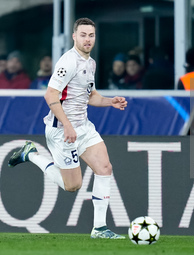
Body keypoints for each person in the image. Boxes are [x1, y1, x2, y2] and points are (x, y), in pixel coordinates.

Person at [8, 18, 127, 239]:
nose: (87, 39)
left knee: (104, 168)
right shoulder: (68, 61)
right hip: (62, 130)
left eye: (91, 35)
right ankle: (31, 154)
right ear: (74, 36)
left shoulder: (90, 63)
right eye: (83, 35)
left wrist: (111, 101)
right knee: (72, 186)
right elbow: (50, 94)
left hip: (83, 127)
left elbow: (89, 96)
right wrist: (67, 125)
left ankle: (99, 229)